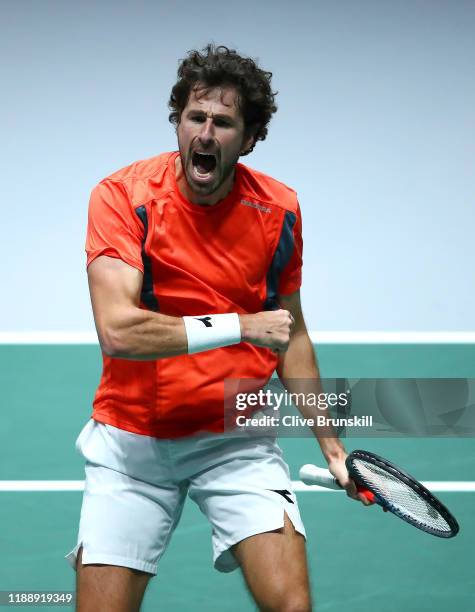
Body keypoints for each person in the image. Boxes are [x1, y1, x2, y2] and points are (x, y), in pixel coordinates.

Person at [66, 44, 370, 612]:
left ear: (248, 138)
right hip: (134, 441)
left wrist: (333, 448)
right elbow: (119, 330)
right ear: (178, 123)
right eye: (195, 117)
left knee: (292, 606)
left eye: (224, 122)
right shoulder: (123, 198)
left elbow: (291, 332)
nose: (206, 133)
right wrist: (239, 326)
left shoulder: (278, 211)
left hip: (235, 437)